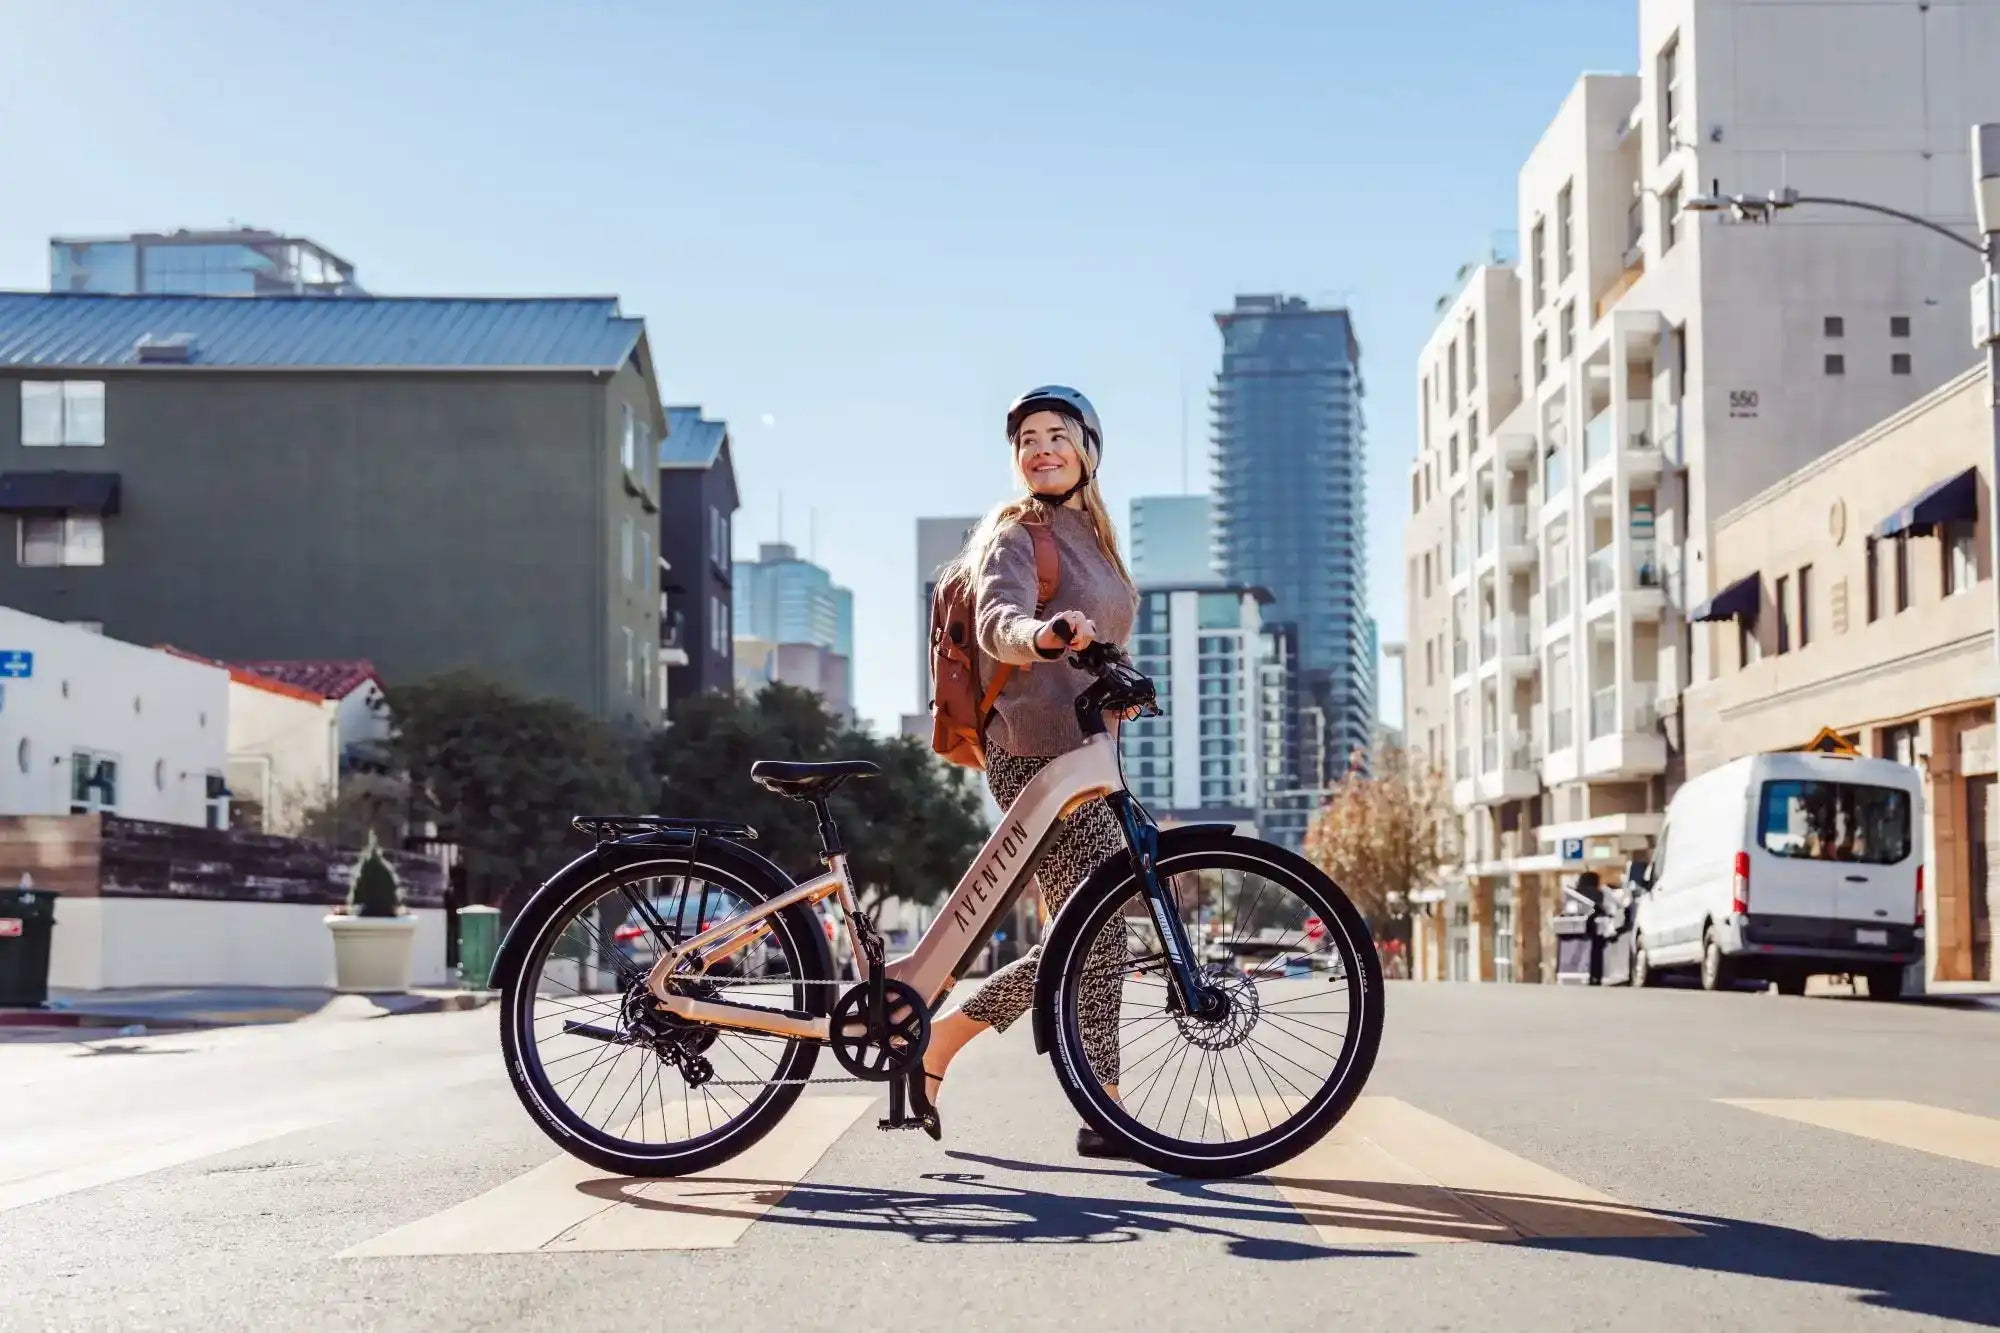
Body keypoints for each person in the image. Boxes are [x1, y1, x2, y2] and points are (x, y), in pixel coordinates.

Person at [917, 385, 1138, 1158]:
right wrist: (1041, 635)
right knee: (1097, 926)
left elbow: (1099, 636)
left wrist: (1125, 678)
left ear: (1086, 449)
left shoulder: (1097, 541)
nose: (1042, 447)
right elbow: (998, 621)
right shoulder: (1018, 531)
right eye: (1028, 439)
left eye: (1057, 435)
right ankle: (1104, 1104)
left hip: (1087, 753)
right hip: (1033, 753)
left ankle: (942, 1040)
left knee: (1094, 926)